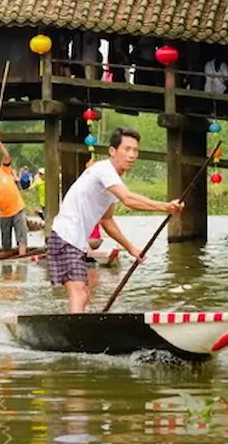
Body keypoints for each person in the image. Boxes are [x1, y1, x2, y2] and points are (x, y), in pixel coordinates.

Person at [47, 127, 185, 313]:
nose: (132, 155)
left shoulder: (113, 181)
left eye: (135, 150)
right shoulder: (104, 169)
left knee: (83, 294)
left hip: (74, 241)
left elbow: (107, 220)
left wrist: (131, 248)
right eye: (127, 149)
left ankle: (76, 328)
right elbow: (127, 199)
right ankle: (79, 337)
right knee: (79, 293)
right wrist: (165, 206)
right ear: (113, 151)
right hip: (65, 236)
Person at [0, 129, 27, 256]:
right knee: (6, 242)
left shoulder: (5, 170)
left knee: (21, 237)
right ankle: (7, 261)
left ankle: (22, 258)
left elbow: (6, 156)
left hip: (18, 209)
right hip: (5, 214)